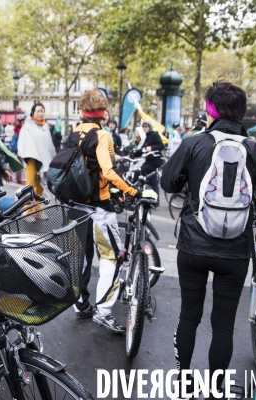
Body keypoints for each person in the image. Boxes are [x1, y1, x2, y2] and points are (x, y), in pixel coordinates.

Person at [161, 80, 256, 397]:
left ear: (210, 110)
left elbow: (168, 182)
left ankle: (184, 380)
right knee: (224, 323)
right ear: (241, 112)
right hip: (234, 252)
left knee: (189, 315)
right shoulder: (255, 149)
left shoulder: (194, 144)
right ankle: (217, 386)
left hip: (193, 245)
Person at [69, 89, 150, 333]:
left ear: (83, 111)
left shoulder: (75, 132)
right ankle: (104, 311)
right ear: (103, 113)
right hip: (98, 208)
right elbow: (107, 171)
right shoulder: (103, 135)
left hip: (75, 205)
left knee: (82, 256)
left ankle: (81, 305)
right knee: (112, 257)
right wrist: (132, 190)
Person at [17, 103, 56, 219]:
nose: (40, 113)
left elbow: (49, 145)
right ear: (33, 113)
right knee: (30, 185)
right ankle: (27, 212)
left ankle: (38, 210)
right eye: (38, 111)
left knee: (40, 187)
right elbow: (25, 142)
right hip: (32, 160)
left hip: (44, 161)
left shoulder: (45, 126)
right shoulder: (28, 126)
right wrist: (30, 156)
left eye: (42, 111)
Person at [131, 121, 164, 196]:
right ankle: (155, 202)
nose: (144, 128)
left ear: (150, 127)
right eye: (143, 126)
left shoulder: (154, 135)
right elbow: (143, 149)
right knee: (153, 181)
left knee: (139, 171)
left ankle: (133, 192)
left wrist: (151, 148)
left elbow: (161, 146)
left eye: (146, 126)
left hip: (153, 162)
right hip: (148, 161)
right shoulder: (146, 136)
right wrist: (133, 154)